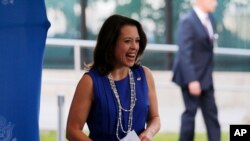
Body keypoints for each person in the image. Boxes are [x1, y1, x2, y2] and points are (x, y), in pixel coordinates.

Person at [66, 14, 161, 141]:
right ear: (110, 44)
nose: (134, 47)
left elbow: (155, 118)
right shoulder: (89, 82)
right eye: (127, 41)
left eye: (137, 40)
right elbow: (72, 130)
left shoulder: (145, 75)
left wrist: (149, 133)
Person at [172, 0, 220, 141]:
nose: (215, 3)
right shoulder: (187, 21)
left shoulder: (211, 19)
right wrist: (192, 80)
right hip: (191, 78)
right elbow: (184, 53)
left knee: (212, 116)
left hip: (206, 77)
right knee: (190, 115)